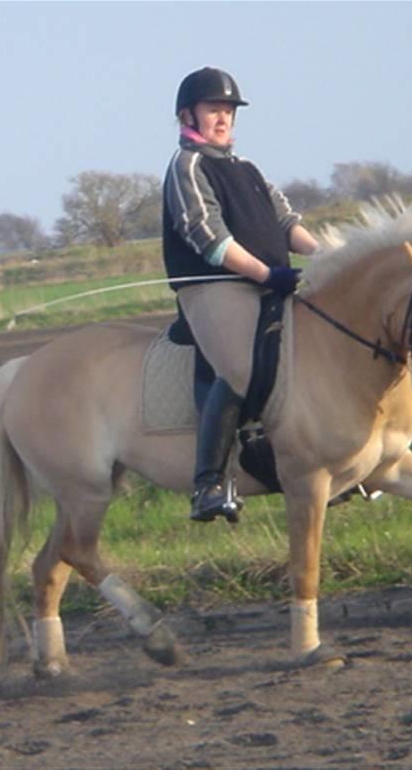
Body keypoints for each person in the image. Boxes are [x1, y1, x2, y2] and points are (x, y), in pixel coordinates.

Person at [163, 66, 319, 523]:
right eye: (214, 109)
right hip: (215, 288)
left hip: (266, 280)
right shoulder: (187, 166)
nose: (223, 117)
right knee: (241, 366)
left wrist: (329, 257)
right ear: (188, 115)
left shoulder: (247, 168)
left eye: (228, 110)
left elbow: (287, 224)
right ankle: (208, 482)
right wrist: (267, 275)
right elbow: (210, 239)